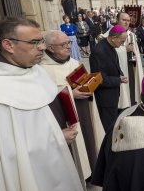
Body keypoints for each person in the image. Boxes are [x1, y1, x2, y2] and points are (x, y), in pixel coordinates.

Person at [0, 17, 84, 191]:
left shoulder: (34, 70)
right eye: (34, 42)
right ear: (8, 45)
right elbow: (5, 155)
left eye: (42, 41)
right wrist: (57, 138)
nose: (42, 48)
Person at [41, 30, 105, 177]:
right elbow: (46, 96)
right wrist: (71, 93)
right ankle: (77, 174)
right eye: (63, 44)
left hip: (83, 110)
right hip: (64, 118)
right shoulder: (42, 69)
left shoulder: (74, 63)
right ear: (51, 48)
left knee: (88, 138)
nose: (69, 46)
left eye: (69, 42)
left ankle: (91, 168)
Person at [90, 25, 129, 132]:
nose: (123, 44)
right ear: (113, 38)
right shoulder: (99, 51)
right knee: (108, 127)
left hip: (112, 94)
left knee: (112, 122)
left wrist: (120, 74)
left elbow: (115, 64)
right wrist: (118, 80)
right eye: (122, 41)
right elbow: (99, 79)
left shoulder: (110, 46)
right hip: (105, 97)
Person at [116, 12, 144, 109]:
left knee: (132, 90)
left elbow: (135, 51)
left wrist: (136, 56)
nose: (126, 22)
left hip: (131, 66)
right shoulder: (111, 35)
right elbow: (109, 53)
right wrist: (125, 50)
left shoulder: (131, 35)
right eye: (124, 20)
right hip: (119, 69)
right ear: (117, 20)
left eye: (128, 20)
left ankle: (131, 105)